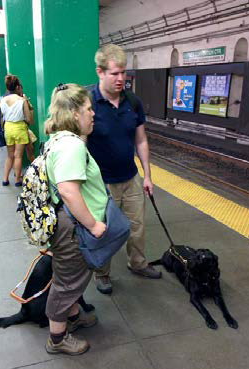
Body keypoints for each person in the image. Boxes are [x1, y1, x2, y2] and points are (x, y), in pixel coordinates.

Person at [87, 44, 161, 295]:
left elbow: (140, 140)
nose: (121, 79)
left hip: (130, 178)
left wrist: (147, 175)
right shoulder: (89, 104)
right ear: (100, 72)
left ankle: (138, 263)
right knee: (104, 230)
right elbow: (81, 147)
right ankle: (102, 272)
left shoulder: (132, 102)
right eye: (114, 73)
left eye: (123, 73)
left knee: (136, 226)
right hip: (101, 184)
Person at [44, 83, 108, 356]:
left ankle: (73, 318)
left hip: (67, 224)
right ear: (73, 113)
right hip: (73, 226)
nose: (93, 114)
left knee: (70, 277)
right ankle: (57, 340)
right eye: (88, 109)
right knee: (67, 282)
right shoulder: (72, 146)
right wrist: (93, 225)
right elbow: (69, 191)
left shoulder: (59, 140)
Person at [0, 74, 33, 186]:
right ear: (17, 87)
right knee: (18, 156)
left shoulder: (1, 100)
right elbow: (29, 118)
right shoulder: (22, 100)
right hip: (19, 129)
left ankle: (5, 179)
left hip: (8, 128)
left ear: (7, 87)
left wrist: (3, 126)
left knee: (10, 155)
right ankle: (17, 180)